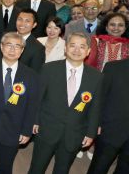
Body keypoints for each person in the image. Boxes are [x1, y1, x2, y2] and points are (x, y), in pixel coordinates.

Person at [28, 33, 103, 174]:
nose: (76, 50)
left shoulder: (96, 76)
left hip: (75, 132)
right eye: (72, 45)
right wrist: (34, 120)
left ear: (88, 51)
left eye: (82, 47)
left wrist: (91, 133)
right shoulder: (48, 69)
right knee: (37, 168)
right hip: (47, 129)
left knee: (62, 169)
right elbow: (37, 98)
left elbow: (95, 107)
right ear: (65, 48)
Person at [0, 32, 39, 174]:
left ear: (22, 50)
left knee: (5, 167)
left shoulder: (31, 75)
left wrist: (27, 130)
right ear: (1, 47)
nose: (12, 50)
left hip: (13, 129)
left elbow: (32, 105)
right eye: (8, 45)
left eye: (17, 46)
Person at [87, 57, 129, 174]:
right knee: (99, 168)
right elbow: (100, 97)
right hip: (111, 131)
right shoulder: (113, 67)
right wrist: (97, 123)